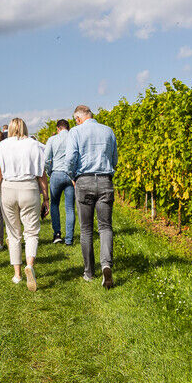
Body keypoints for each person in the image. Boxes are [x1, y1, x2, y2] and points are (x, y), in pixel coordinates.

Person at [0, 118, 48, 291]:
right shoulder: (35, 145)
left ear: (10, 130)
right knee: (31, 231)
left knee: (13, 233)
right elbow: (41, 175)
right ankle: (29, 264)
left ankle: (17, 274)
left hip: (8, 188)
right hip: (29, 187)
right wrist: (46, 197)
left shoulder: (1, 146)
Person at [66, 104, 118, 288]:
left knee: (86, 229)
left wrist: (72, 176)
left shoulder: (76, 132)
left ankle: (89, 272)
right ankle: (106, 265)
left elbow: (71, 158)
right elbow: (114, 158)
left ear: (78, 118)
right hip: (105, 180)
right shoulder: (108, 131)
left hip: (84, 180)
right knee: (105, 227)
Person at [44, 119, 76, 246]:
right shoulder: (74, 138)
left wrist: (49, 172)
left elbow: (46, 159)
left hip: (56, 173)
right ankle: (69, 238)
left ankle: (57, 234)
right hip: (70, 175)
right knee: (69, 207)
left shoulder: (52, 140)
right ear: (68, 128)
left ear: (58, 129)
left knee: (54, 204)